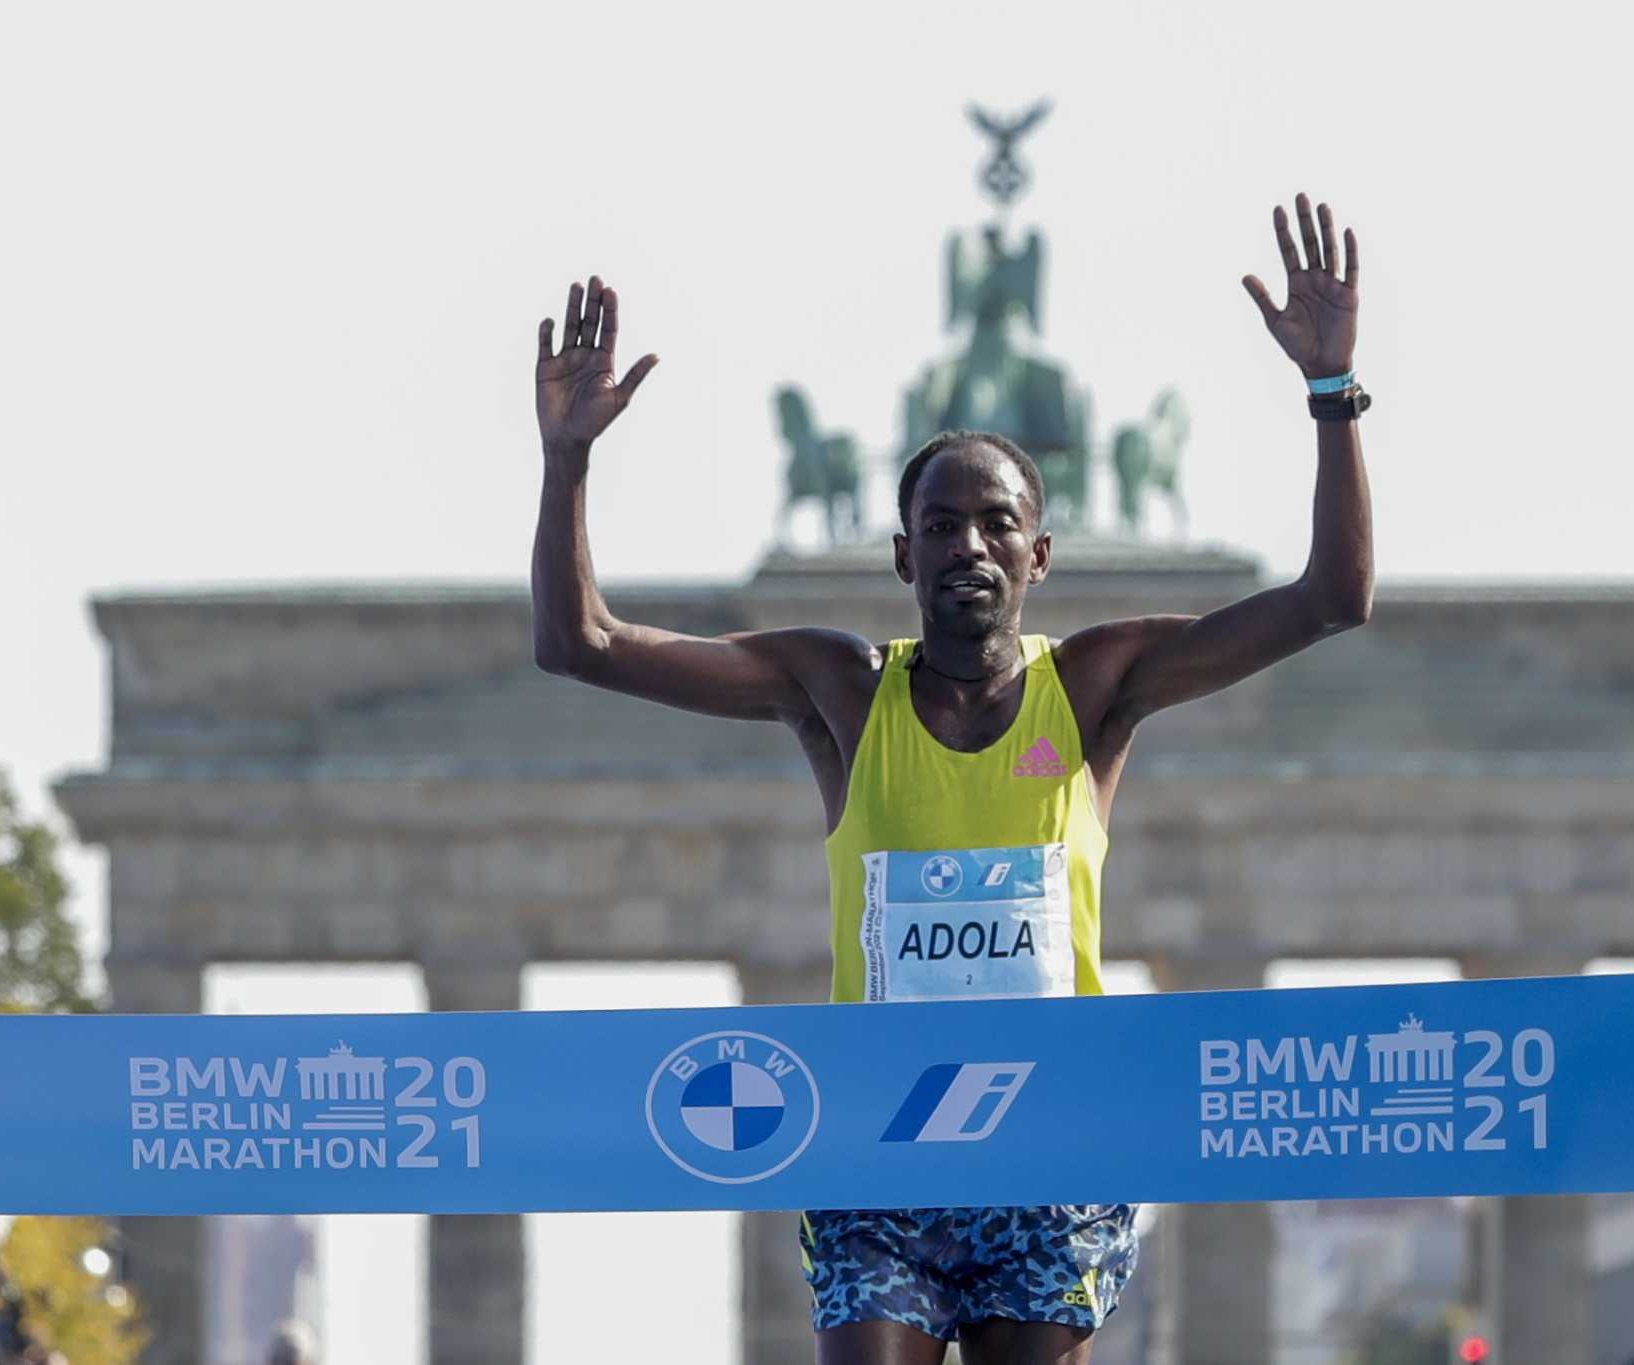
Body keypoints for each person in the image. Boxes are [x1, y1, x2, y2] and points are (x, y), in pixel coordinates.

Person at [532, 193, 1373, 1365]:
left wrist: (1331, 397)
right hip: (881, 1145)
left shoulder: (1091, 686)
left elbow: (1331, 599)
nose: (964, 548)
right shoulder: (835, 688)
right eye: (938, 526)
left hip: (1050, 1144)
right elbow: (580, 643)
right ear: (899, 554)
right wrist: (566, 459)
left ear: (1037, 555)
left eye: (993, 525)